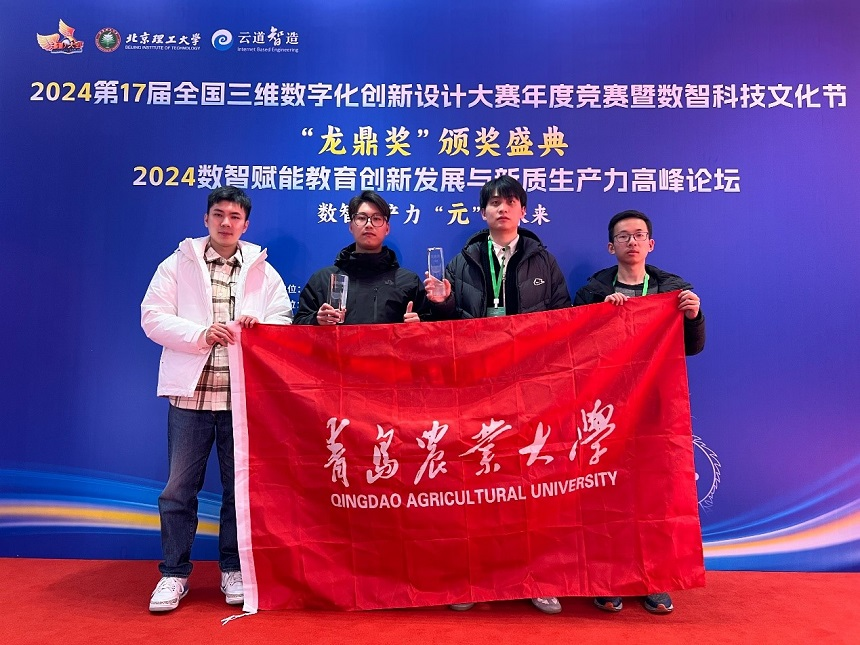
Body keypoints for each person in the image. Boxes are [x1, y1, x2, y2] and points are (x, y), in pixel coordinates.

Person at [141, 186, 292, 612]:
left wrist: (260, 326)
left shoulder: (262, 270)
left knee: (237, 490)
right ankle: (173, 574)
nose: (226, 223)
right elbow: (152, 317)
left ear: (246, 224)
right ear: (206, 219)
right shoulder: (178, 264)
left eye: (235, 217)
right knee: (178, 490)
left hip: (241, 401)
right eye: (219, 214)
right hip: (190, 398)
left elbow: (282, 318)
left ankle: (233, 569)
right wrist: (200, 334)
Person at [424, 175, 571, 615]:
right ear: (483, 211)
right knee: (473, 483)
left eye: (510, 202)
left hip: (529, 389)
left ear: (524, 210)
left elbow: (564, 319)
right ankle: (472, 577)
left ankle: (537, 577)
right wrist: (442, 304)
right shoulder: (464, 260)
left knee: (531, 485)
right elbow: (443, 325)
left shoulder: (543, 260)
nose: (502, 208)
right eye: (493, 202)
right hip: (475, 386)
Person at [573, 208, 705, 614]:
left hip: (655, 406)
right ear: (610, 246)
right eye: (623, 236)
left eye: (639, 235)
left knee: (655, 494)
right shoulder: (594, 291)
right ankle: (608, 577)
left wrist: (694, 316)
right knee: (606, 494)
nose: (632, 241)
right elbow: (575, 351)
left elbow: (692, 347)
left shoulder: (674, 291)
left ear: (651, 243)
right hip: (605, 408)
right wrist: (600, 318)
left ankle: (655, 579)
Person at [294, 190, 429, 325]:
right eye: (361, 218)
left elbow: (432, 326)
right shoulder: (324, 279)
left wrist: (419, 325)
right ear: (351, 226)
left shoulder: (408, 281)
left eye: (376, 219)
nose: (369, 224)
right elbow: (298, 324)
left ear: (387, 228)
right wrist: (317, 320)